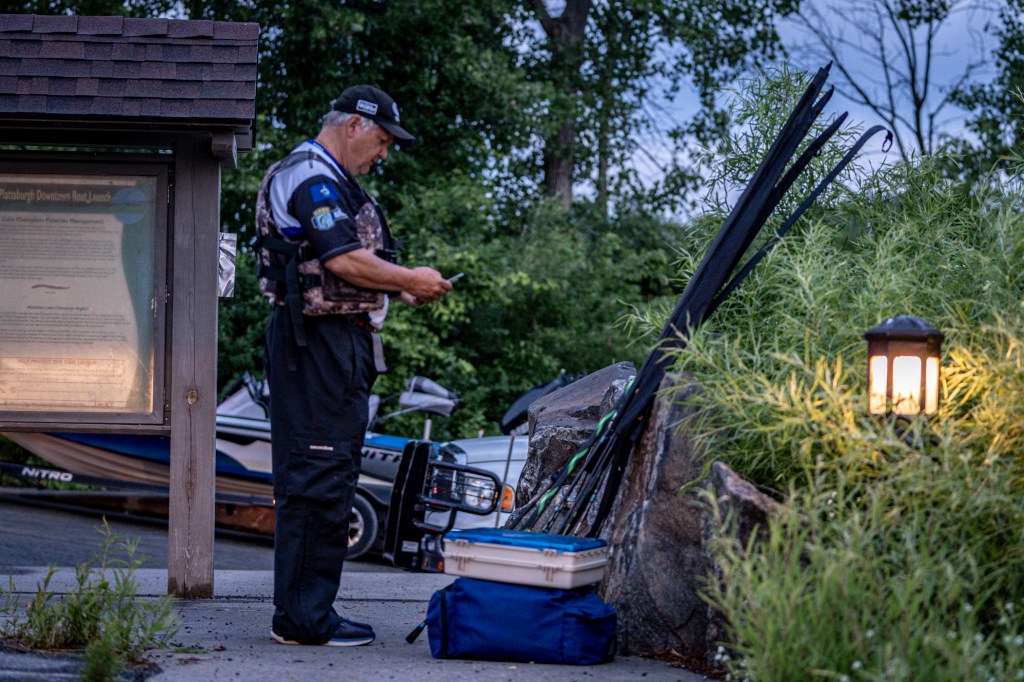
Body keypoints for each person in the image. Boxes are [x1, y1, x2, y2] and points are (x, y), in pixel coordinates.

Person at [255, 84, 451, 647]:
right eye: (382, 140)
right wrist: (410, 277)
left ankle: (311, 611)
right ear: (353, 126)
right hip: (315, 343)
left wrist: (393, 290)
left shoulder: (327, 176)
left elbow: (336, 267)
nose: (383, 154)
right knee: (316, 471)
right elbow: (341, 257)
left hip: (332, 341)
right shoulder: (311, 176)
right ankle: (303, 619)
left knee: (332, 470)